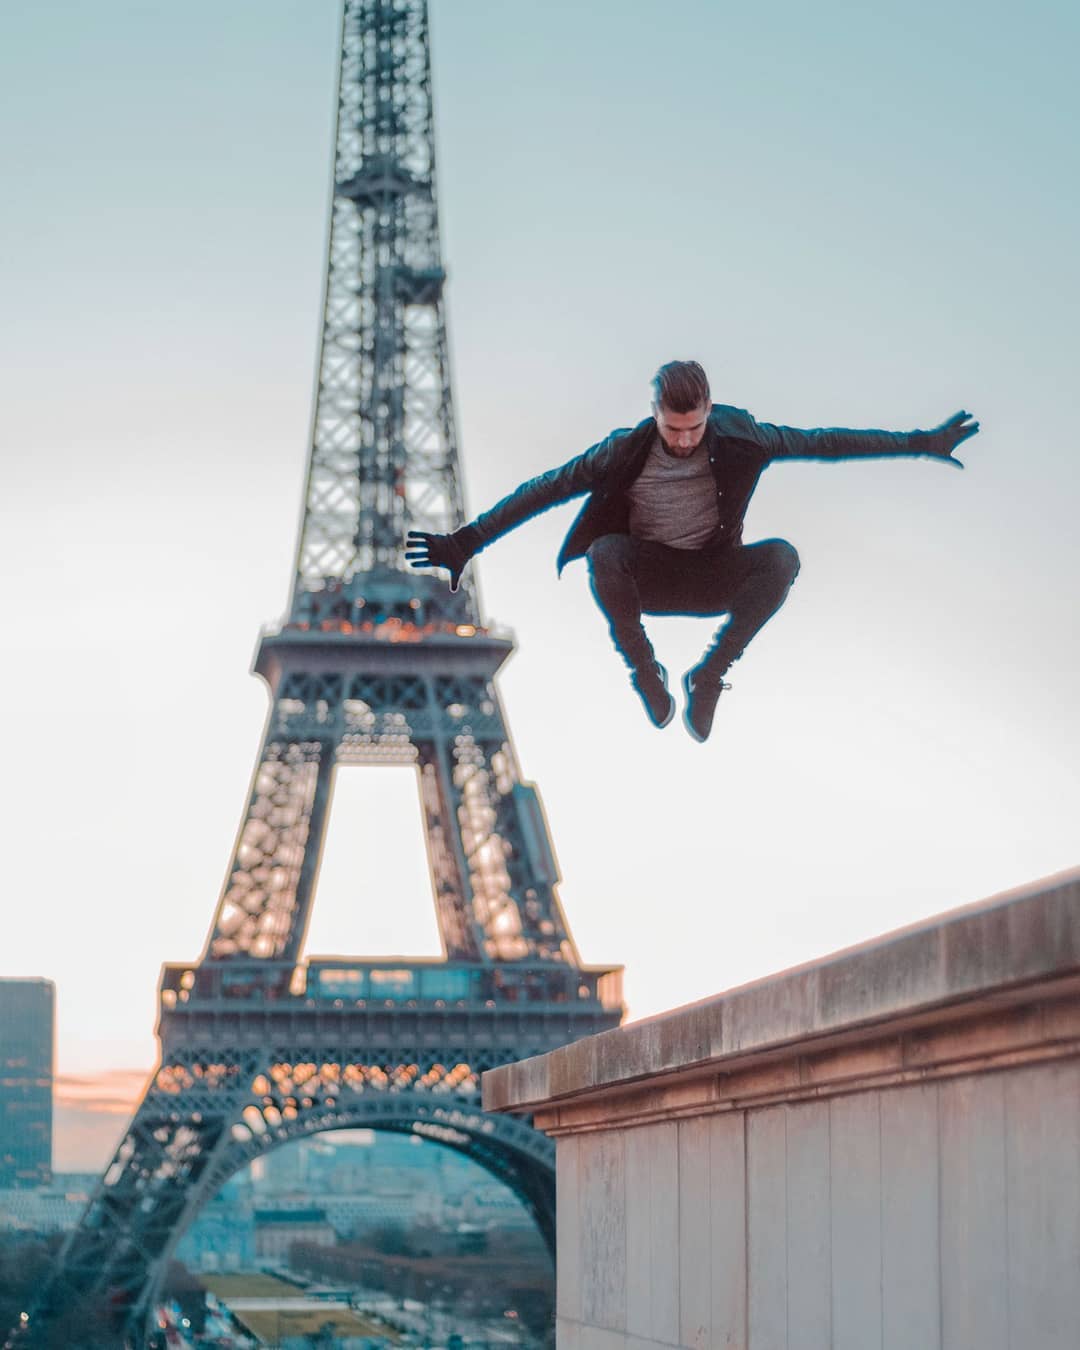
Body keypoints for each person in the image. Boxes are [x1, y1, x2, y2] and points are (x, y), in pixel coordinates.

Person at [406, 361, 979, 743]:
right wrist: (464, 543)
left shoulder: (745, 437)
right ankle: (644, 670)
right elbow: (544, 489)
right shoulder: (620, 452)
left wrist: (919, 443)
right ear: (655, 413)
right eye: (673, 429)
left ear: (709, 411)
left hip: (713, 577)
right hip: (648, 579)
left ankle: (709, 675)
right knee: (605, 552)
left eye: (694, 428)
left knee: (783, 558)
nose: (683, 441)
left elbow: (825, 443)